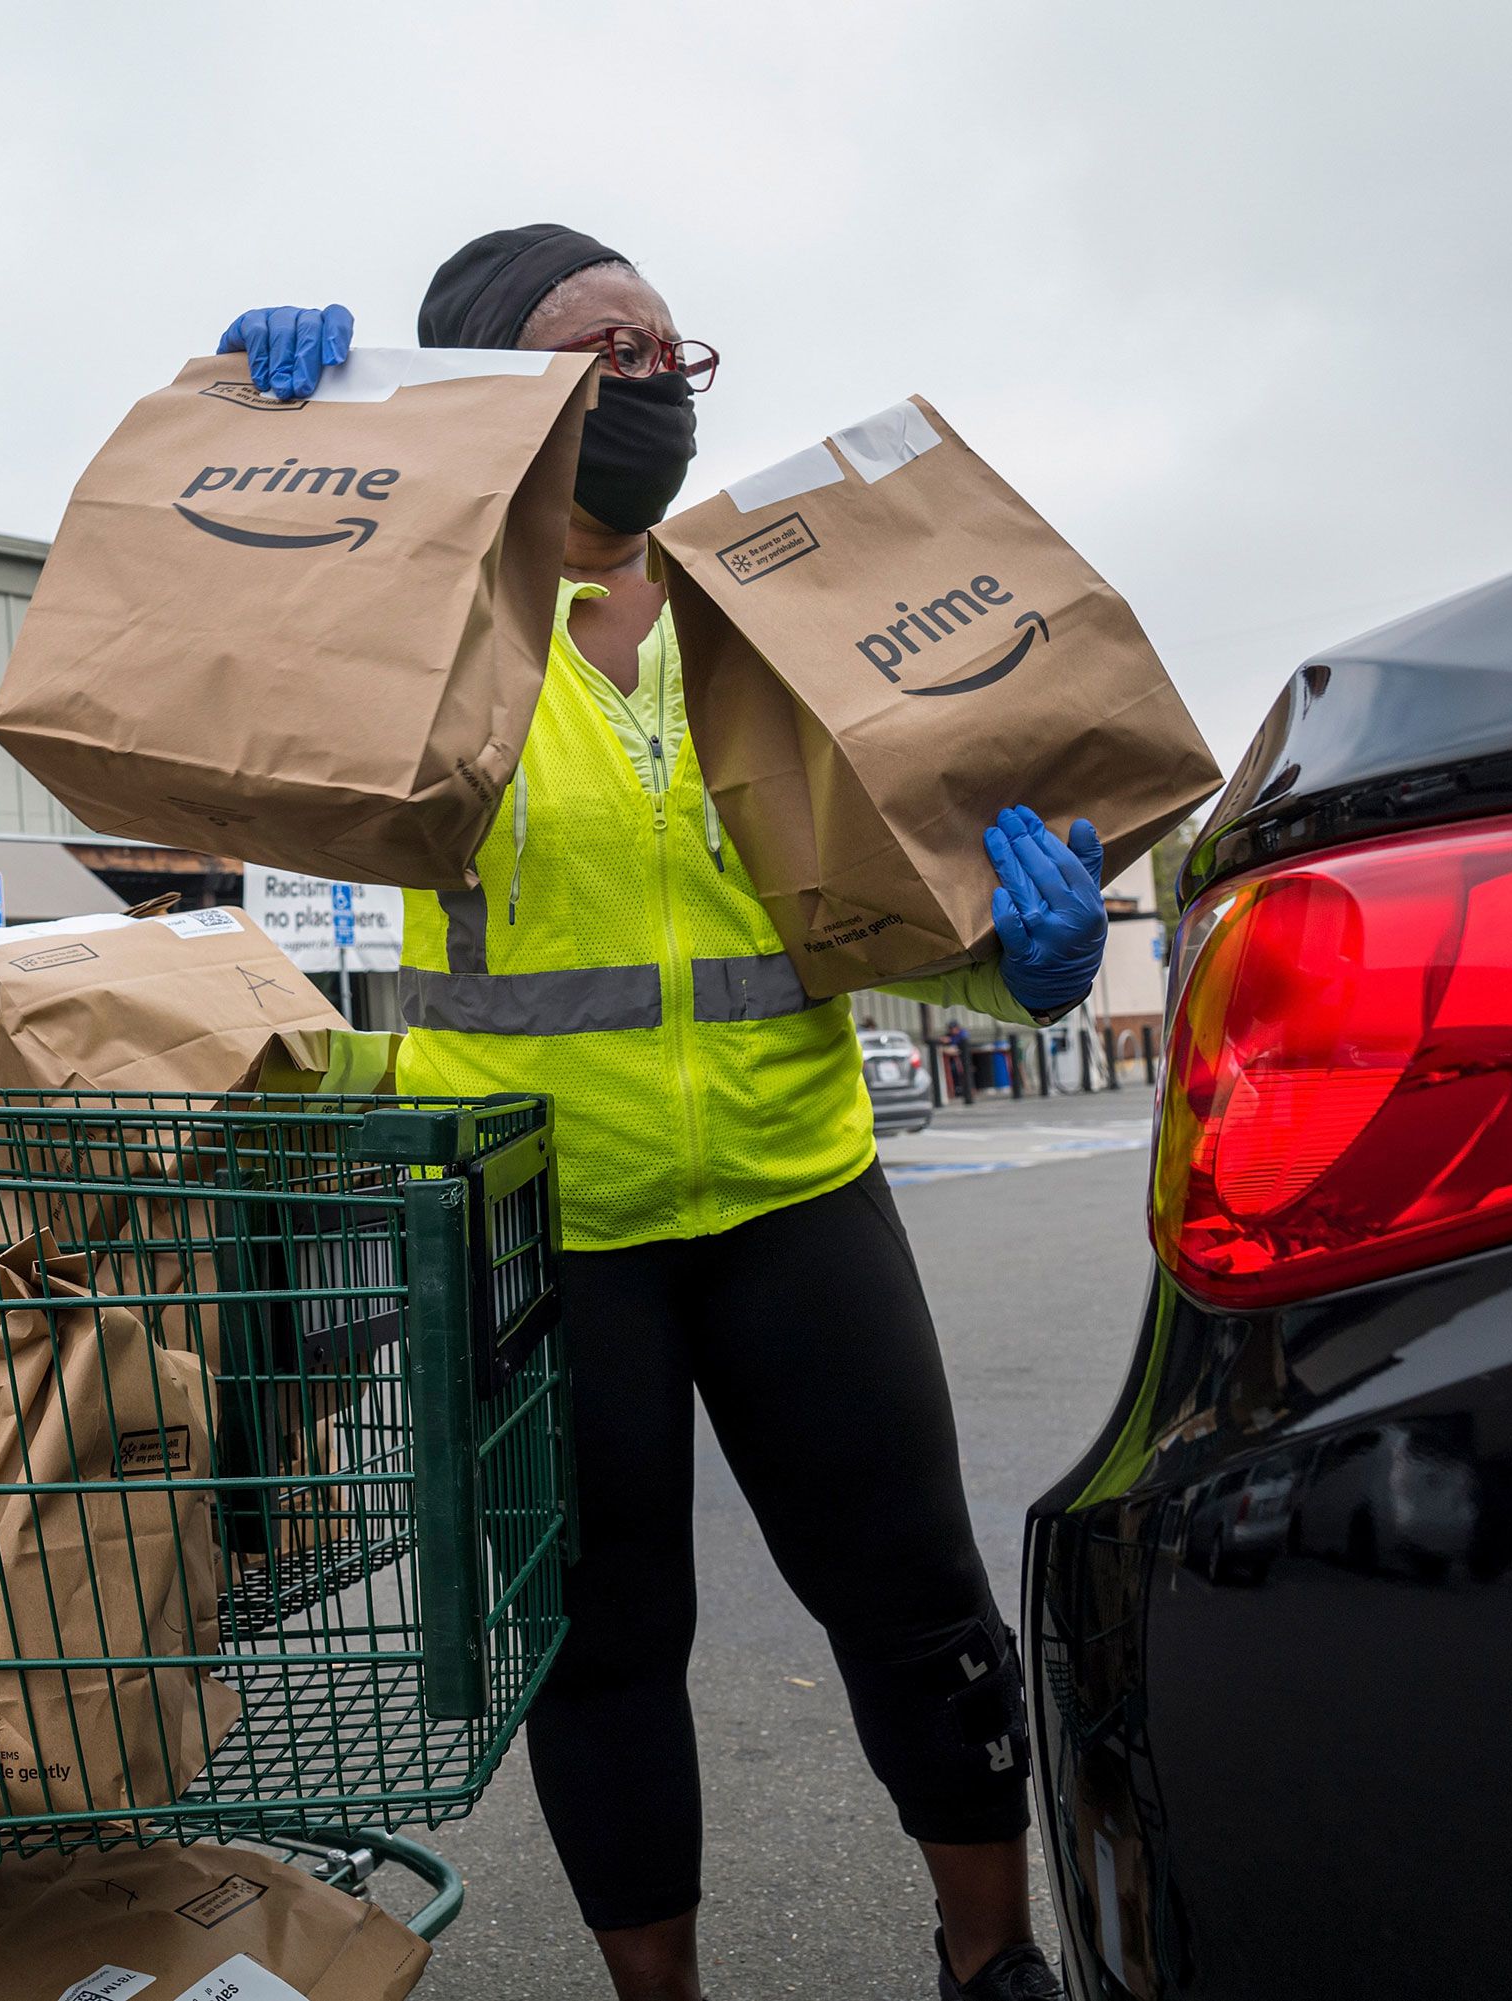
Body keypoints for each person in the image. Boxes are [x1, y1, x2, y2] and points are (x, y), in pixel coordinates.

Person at [219, 229, 1105, 2001]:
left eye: (669, 353)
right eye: (602, 354)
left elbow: (862, 895)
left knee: (920, 1603)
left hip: (796, 1190)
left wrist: (1018, 964)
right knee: (606, 1651)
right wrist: (269, 428)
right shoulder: (415, 625)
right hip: (546, 1228)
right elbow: (229, 666)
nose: (651, 384)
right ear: (503, 395)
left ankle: (991, 1960)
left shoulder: (769, 612)